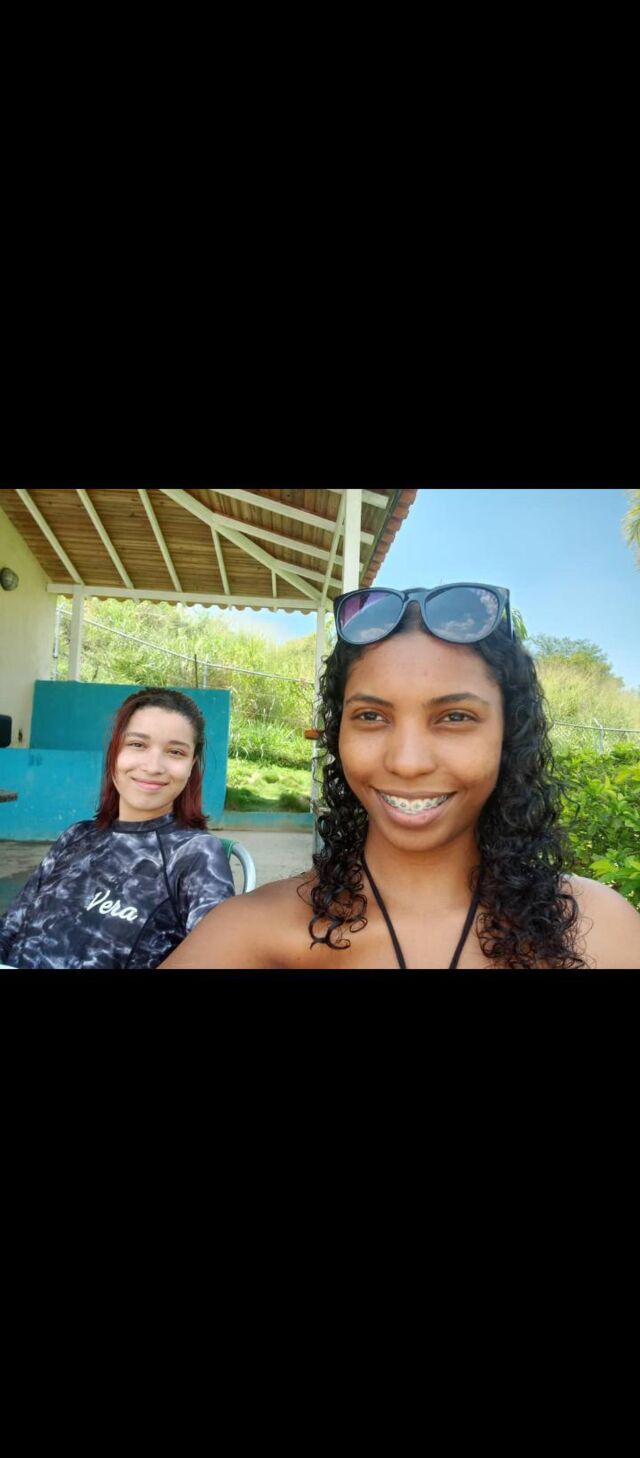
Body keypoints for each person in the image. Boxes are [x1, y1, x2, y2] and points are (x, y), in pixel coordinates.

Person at [161, 584, 640, 971]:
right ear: (338, 733)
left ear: (509, 734)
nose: (408, 763)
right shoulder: (254, 934)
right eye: (371, 716)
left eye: (455, 717)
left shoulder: (601, 932)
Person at [0, 687, 235, 969]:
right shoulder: (76, 836)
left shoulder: (195, 855)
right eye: (137, 744)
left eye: (175, 752)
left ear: (191, 765)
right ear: (115, 752)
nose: (153, 766)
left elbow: (221, 957)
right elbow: (10, 928)